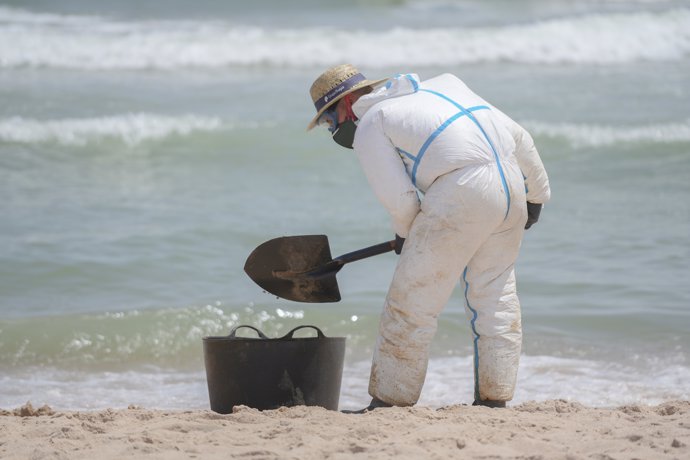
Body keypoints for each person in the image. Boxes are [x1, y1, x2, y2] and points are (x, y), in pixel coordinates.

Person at [307, 64, 551, 411]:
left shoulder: (371, 124)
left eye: (329, 122)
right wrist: (537, 198)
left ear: (344, 106)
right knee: (495, 295)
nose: (333, 130)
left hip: (461, 190)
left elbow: (402, 201)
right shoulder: (448, 86)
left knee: (411, 301)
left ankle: (389, 401)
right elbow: (521, 138)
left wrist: (407, 235)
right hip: (511, 183)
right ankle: (494, 400)